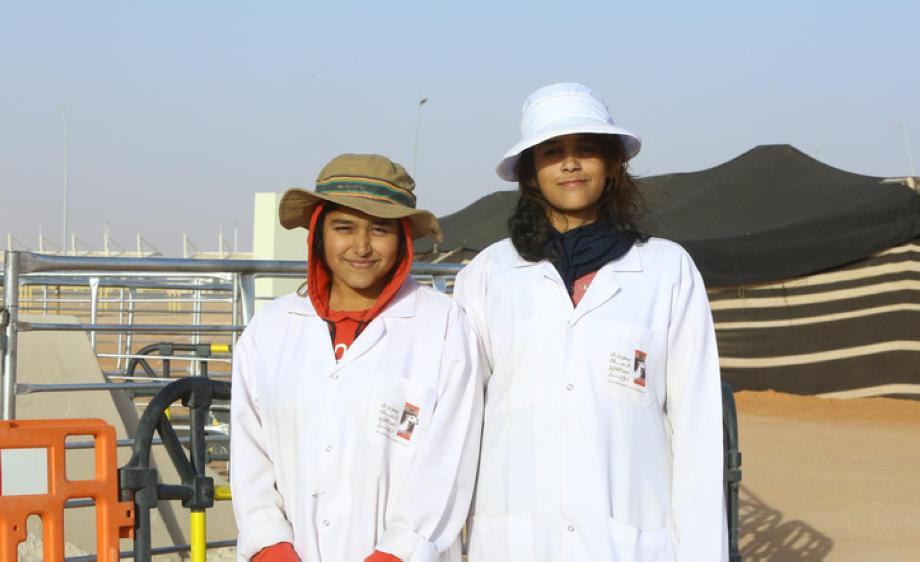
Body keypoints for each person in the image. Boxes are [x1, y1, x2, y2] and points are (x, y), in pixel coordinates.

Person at [454, 83, 727, 561]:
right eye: (553, 151)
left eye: (587, 150)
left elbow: (697, 428)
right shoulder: (486, 276)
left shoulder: (666, 270)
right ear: (530, 173)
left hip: (628, 538)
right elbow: (456, 423)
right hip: (516, 540)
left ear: (613, 164)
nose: (571, 163)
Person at [231, 154, 484, 562]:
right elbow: (249, 449)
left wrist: (398, 551)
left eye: (379, 230)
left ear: (402, 238)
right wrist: (269, 543)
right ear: (318, 233)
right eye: (343, 227)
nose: (361, 247)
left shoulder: (443, 326)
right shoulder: (272, 328)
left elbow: (449, 462)